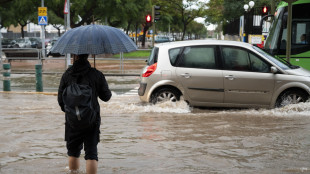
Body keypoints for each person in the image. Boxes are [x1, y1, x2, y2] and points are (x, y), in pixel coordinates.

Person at [58, 54, 112, 174]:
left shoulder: (67, 74)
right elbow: (106, 97)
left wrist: (72, 112)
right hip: (92, 120)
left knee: (73, 152)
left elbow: (61, 101)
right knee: (91, 153)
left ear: (74, 55)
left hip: (72, 121)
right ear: (88, 55)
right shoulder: (96, 74)